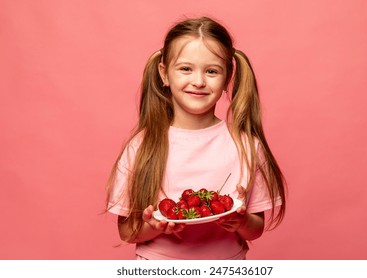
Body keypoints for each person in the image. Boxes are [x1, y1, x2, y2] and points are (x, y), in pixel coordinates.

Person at [106, 16, 286, 260]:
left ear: (227, 79)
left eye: (212, 71)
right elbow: (126, 231)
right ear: (164, 74)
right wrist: (153, 226)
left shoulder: (245, 146)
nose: (199, 81)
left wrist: (241, 220)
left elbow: (256, 229)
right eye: (185, 69)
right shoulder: (142, 146)